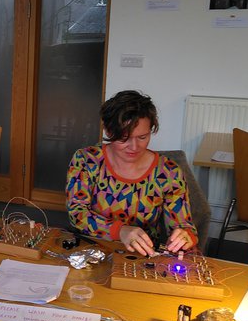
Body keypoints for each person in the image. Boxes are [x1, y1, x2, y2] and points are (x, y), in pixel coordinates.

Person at [66, 90, 198, 255]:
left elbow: (183, 226)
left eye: (142, 137)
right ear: (108, 130)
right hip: (90, 250)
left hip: (141, 257)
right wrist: (120, 231)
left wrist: (184, 236)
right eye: (124, 138)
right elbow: (77, 213)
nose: (134, 147)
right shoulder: (86, 160)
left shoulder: (169, 172)